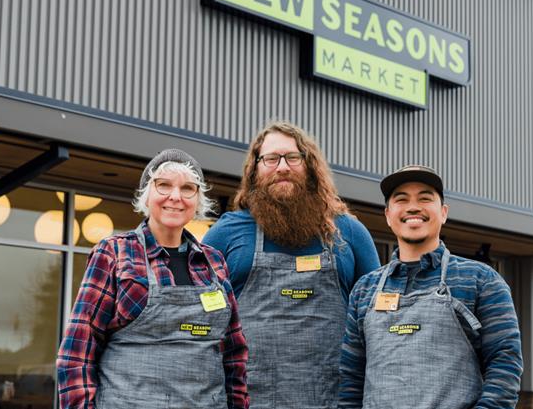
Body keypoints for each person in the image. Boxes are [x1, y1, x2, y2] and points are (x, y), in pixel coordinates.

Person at [203, 122, 380, 409]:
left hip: (334, 401)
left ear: (309, 166)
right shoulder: (226, 233)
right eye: (271, 159)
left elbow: (377, 325)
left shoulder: (349, 233)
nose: (282, 167)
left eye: (292, 157)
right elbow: (198, 318)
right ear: (255, 169)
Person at [57, 149, 249, 408]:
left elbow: (234, 356)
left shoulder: (214, 262)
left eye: (187, 188)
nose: (175, 197)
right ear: (147, 194)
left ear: (198, 200)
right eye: (164, 185)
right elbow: (77, 354)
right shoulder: (114, 253)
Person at [338, 165, 523, 409]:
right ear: (388, 215)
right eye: (401, 199)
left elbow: (505, 364)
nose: (413, 207)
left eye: (425, 198)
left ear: (444, 212)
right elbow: (351, 379)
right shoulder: (365, 290)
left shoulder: (481, 280)